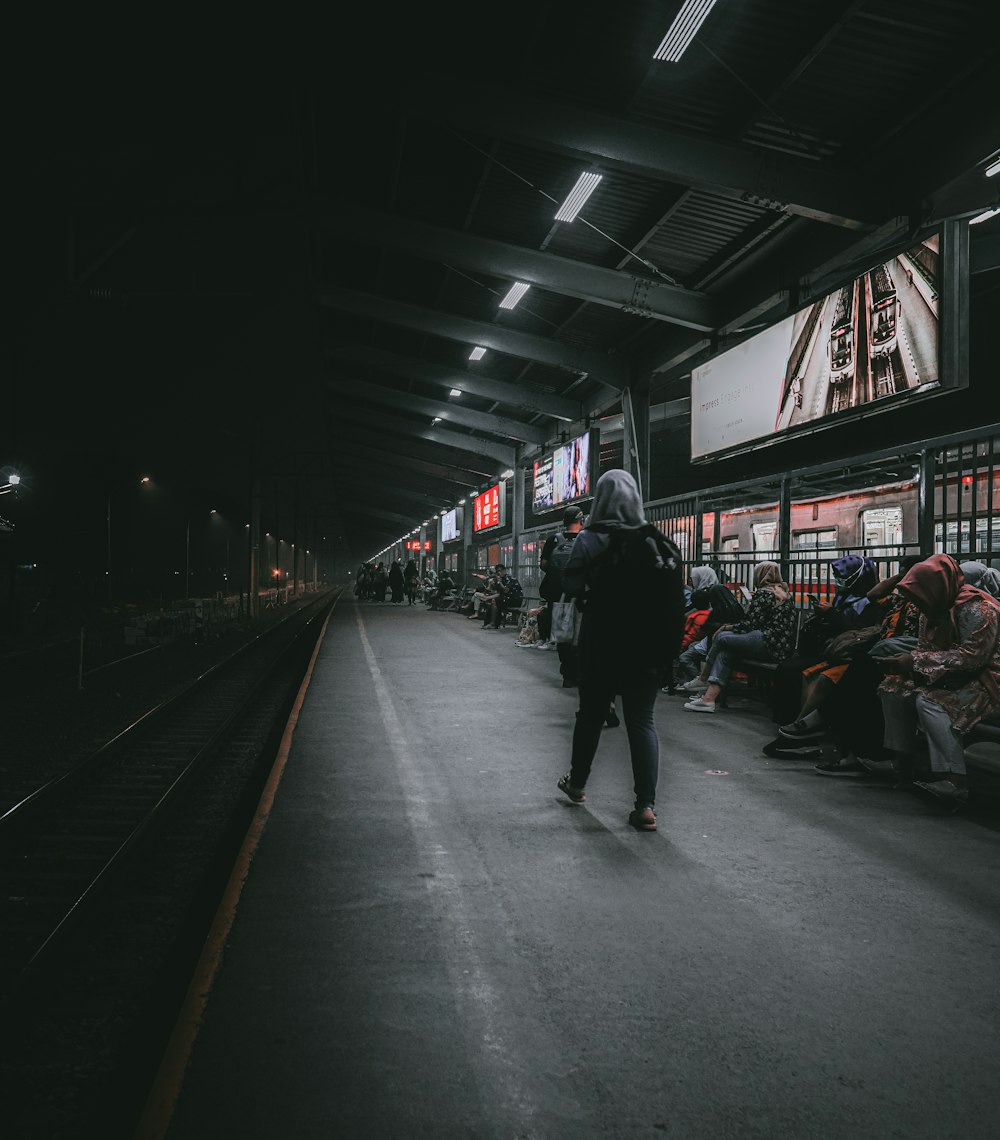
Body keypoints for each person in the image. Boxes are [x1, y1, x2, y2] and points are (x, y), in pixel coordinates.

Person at [556, 470, 685, 832]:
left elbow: (571, 583)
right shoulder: (657, 541)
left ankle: (578, 784)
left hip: (603, 642)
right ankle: (645, 806)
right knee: (642, 721)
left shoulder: (590, 538)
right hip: (647, 648)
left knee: (591, 715)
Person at [877, 553, 1000, 804]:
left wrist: (915, 662)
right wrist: (910, 663)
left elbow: (973, 658)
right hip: (951, 674)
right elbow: (925, 647)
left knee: (932, 702)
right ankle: (900, 763)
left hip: (988, 679)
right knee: (893, 689)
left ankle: (954, 779)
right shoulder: (932, 608)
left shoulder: (980, 610)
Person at [683, 560, 795, 714]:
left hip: (767, 642)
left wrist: (726, 627)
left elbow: (748, 625)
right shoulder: (783, 592)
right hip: (779, 646)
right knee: (727, 652)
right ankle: (708, 699)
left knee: (722, 637)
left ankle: (703, 678)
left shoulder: (764, 593)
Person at [538, 506, 586, 679]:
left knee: (561, 633)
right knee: (580, 633)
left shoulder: (554, 540)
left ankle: (567, 672)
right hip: (580, 596)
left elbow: (543, 564)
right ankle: (579, 670)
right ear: (581, 520)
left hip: (557, 594)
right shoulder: (585, 539)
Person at [482, 564, 523, 630]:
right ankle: (487, 623)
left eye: (500, 570)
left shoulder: (510, 578)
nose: (499, 572)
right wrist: (492, 583)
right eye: (497, 571)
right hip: (506, 599)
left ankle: (494, 624)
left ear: (504, 570)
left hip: (515, 599)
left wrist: (499, 582)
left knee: (496, 601)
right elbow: (497, 593)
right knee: (492, 602)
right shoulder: (501, 579)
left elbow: (506, 590)